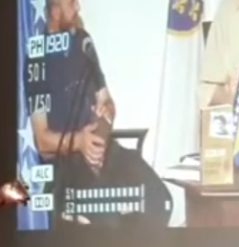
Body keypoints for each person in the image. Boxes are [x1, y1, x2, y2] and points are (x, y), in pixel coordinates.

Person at [27, 0, 171, 229]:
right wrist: (81, 143)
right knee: (110, 220)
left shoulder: (83, 42)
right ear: (55, 11)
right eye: (71, 3)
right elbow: (43, 141)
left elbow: (108, 103)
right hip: (68, 164)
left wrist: (105, 119)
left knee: (160, 201)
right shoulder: (37, 58)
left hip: (104, 149)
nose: (78, 7)